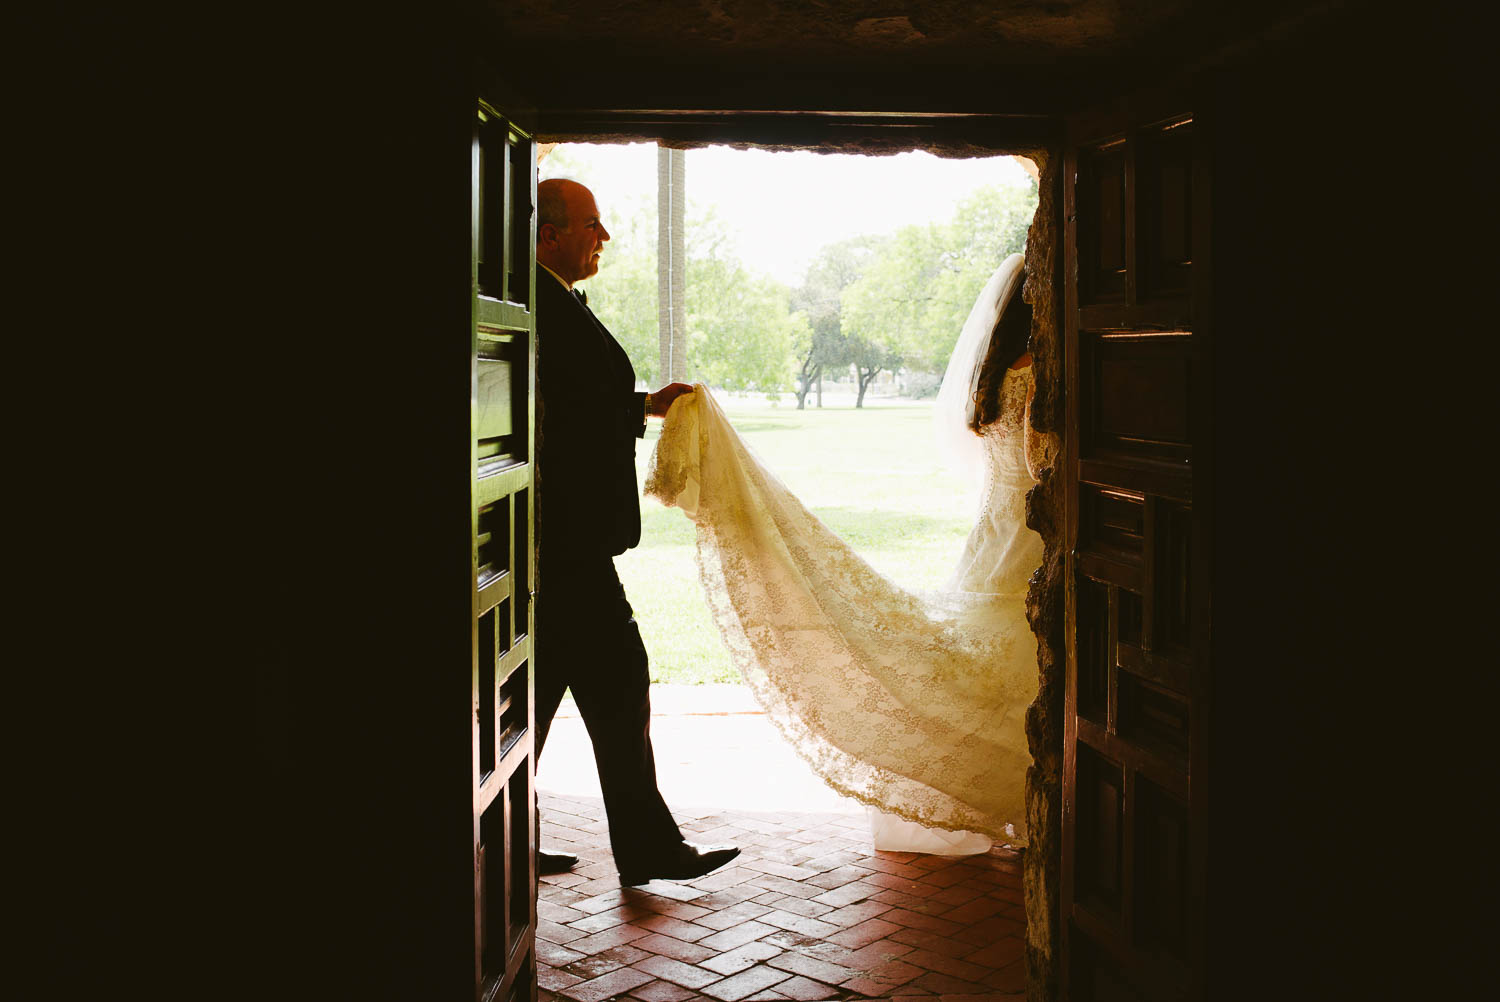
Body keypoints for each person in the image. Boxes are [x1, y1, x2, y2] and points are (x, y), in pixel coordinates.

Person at [644, 254, 1042, 845]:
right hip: (1029, 538)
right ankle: (1039, 802)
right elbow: (1043, 461)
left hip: (992, 539)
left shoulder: (997, 370)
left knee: (994, 682)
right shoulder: (1044, 373)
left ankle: (1016, 802)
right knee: (1022, 674)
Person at [530, 178, 738, 886]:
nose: (605, 236)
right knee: (619, 686)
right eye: (593, 223)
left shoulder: (550, 302)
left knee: (530, 706)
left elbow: (570, 396)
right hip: (562, 544)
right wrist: (633, 407)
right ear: (549, 231)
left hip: (565, 546)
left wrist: (645, 404)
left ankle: (501, 834)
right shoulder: (531, 306)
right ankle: (647, 847)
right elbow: (551, 412)